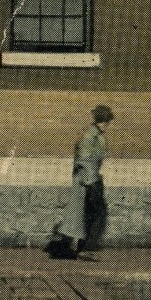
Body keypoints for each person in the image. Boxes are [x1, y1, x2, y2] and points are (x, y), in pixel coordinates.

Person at [48, 105, 114, 261]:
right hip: (85, 181)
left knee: (83, 216)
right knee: (85, 215)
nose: (106, 124)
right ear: (101, 121)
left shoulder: (96, 135)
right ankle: (79, 248)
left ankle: (76, 247)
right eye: (105, 121)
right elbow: (84, 160)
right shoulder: (90, 136)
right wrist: (93, 182)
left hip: (89, 179)